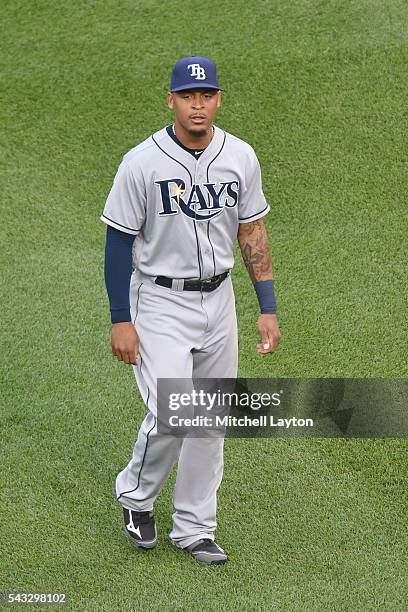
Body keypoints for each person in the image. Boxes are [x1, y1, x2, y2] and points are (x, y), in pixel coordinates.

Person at [101, 55, 281, 565]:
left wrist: (266, 306)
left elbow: (251, 231)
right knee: (173, 411)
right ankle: (136, 497)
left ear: (218, 98)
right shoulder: (142, 162)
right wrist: (121, 317)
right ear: (171, 100)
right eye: (188, 96)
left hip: (219, 300)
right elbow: (118, 243)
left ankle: (195, 528)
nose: (197, 105)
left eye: (206, 96)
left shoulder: (241, 156)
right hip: (157, 301)